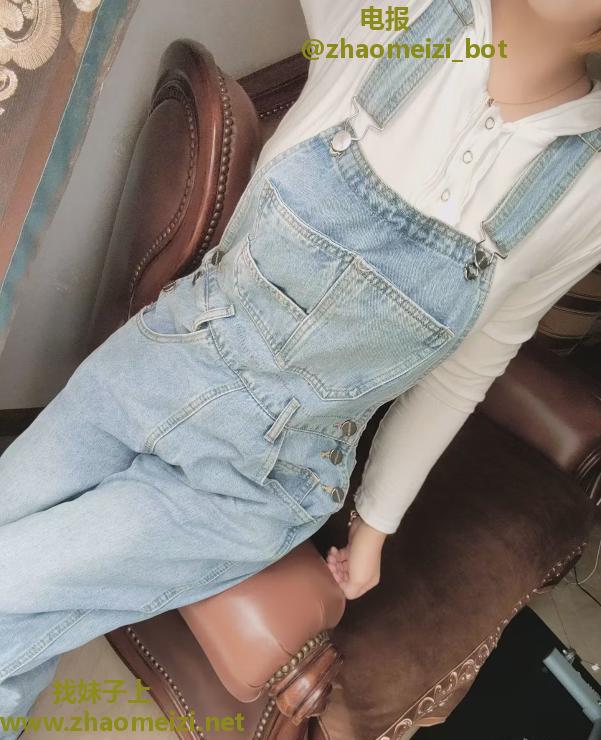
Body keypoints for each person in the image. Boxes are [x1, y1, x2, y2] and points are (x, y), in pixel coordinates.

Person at [0, 0, 600, 730]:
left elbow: (463, 371)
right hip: (153, 364)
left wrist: (374, 525)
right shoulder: (394, 17)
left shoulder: (586, 188)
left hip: (263, 475)